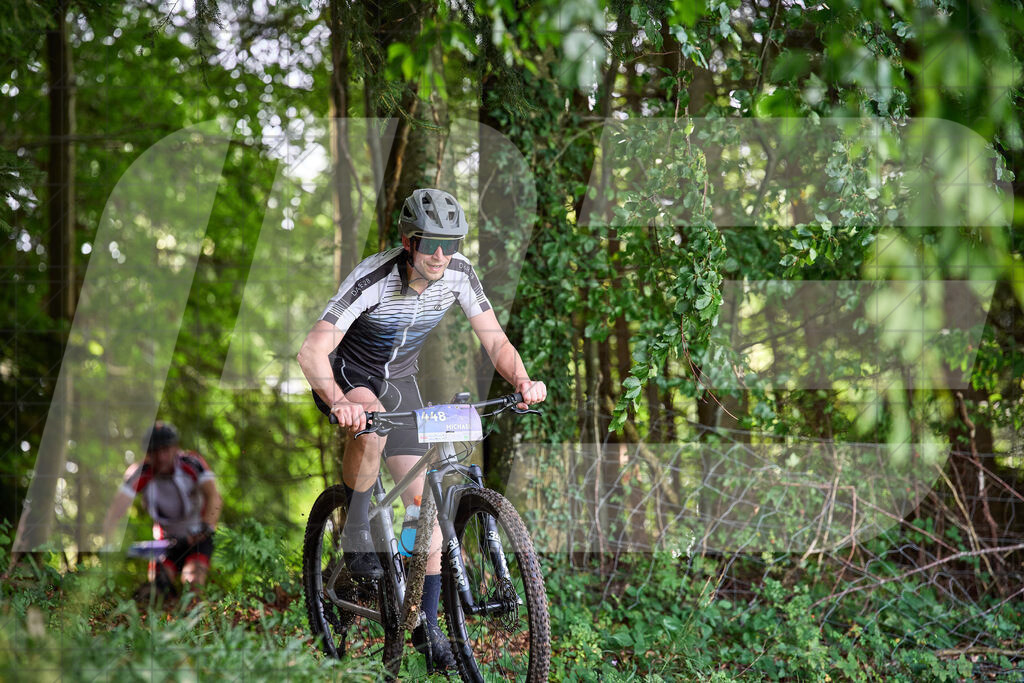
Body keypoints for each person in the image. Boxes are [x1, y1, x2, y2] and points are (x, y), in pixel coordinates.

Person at [297, 188, 546, 671]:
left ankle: (427, 625)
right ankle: (356, 536)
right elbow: (311, 352)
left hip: (401, 384)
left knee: (423, 508)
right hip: (352, 377)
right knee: (369, 429)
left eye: (449, 244)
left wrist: (522, 379)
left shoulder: (459, 274)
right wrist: (340, 402)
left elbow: (495, 339)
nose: (440, 254)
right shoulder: (371, 278)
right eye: (429, 242)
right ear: (408, 241)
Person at [102, 421, 223, 594]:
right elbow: (115, 512)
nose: (161, 458)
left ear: (176, 448)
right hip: (165, 542)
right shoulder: (139, 472)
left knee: (193, 584)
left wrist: (205, 528)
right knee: (156, 589)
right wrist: (109, 544)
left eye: (165, 450)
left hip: (198, 536)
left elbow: (214, 497)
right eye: (154, 452)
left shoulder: (192, 463)